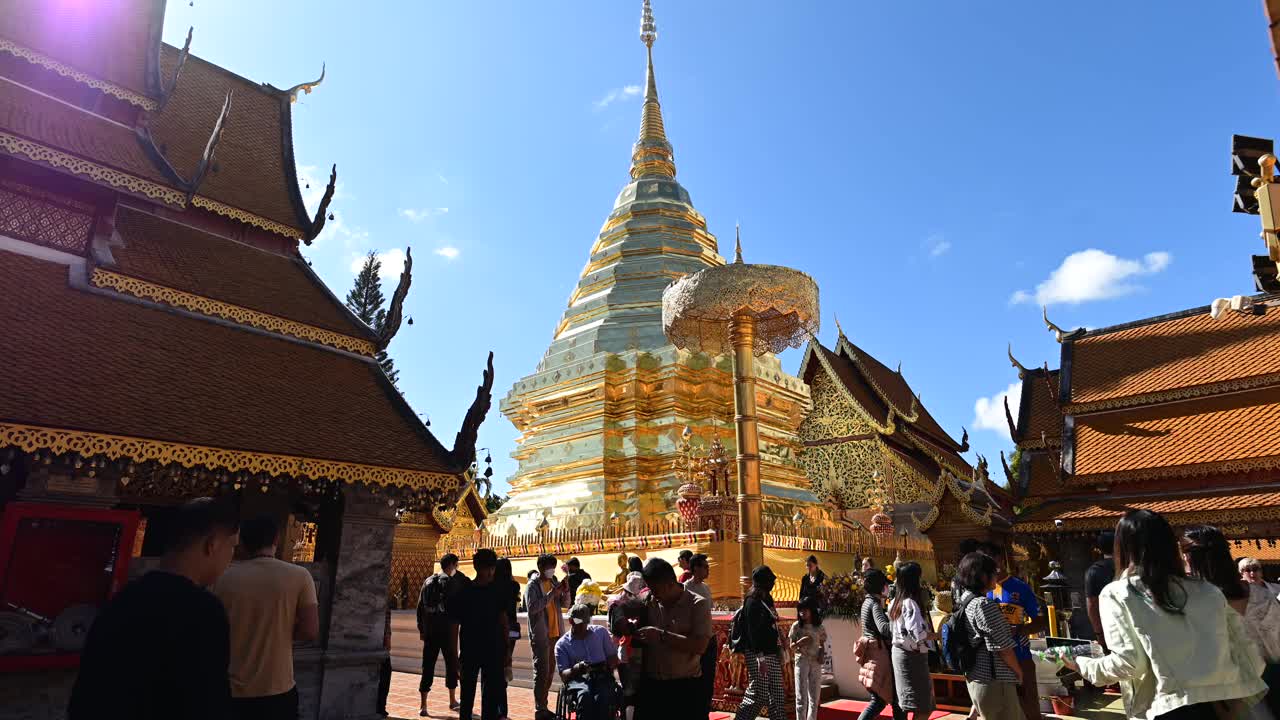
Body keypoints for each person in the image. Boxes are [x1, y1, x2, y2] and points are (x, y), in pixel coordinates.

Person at [1065, 510, 1266, 720]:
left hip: (1167, 707)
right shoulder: (1207, 590)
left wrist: (1081, 664)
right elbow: (1249, 654)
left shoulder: (1119, 593)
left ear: (1122, 548)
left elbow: (1128, 663)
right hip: (1220, 707)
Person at [68, 497, 240, 720]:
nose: (231, 557)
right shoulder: (202, 610)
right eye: (232, 547)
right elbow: (206, 703)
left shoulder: (123, 598)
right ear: (213, 544)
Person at [214, 515, 320, 720]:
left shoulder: (221, 576)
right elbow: (310, 630)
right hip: (277, 687)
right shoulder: (299, 576)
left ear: (241, 541)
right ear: (276, 539)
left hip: (229, 687)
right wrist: (280, 631)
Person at [1184, 525, 1280, 717]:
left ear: (1190, 560)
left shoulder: (1194, 603)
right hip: (1273, 680)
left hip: (1230, 694)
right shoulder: (1262, 594)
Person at [638, 557, 712, 720]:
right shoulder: (650, 601)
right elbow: (626, 608)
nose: (653, 594)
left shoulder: (697, 604)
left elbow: (700, 646)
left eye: (655, 589)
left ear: (669, 584)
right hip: (654, 687)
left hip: (684, 688)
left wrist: (661, 636)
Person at [953, 551, 1023, 719]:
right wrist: (1018, 672)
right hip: (995, 681)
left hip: (976, 677)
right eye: (994, 572)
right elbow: (1003, 648)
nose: (996, 576)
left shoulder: (964, 600)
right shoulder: (984, 604)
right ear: (983, 576)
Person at [981, 541, 1046, 720]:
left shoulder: (1020, 588)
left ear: (1001, 560)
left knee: (1029, 703)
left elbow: (1041, 622)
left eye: (992, 561)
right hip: (994, 661)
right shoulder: (982, 591)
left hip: (1021, 656)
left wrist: (1018, 630)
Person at [449, 548, 509, 720]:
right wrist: (507, 652)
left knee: (478, 698)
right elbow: (504, 623)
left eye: (492, 568)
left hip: (480, 649)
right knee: (478, 698)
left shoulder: (468, 591)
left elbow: (454, 627)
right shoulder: (490, 592)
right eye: (490, 568)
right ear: (485, 568)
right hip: (482, 650)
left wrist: (454, 655)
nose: (491, 571)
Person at [734, 565, 787, 720]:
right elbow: (753, 633)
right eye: (770, 580)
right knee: (759, 694)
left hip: (772, 651)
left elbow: (772, 621)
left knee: (777, 693)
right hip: (758, 654)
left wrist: (781, 637)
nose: (773, 583)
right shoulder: (752, 602)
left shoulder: (767, 598)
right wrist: (760, 659)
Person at [418, 553, 466, 713]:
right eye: (456, 565)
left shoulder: (428, 581)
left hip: (431, 632)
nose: (457, 568)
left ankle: (423, 705)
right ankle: (452, 700)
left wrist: (422, 630)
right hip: (448, 632)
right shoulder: (453, 582)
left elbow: (420, 608)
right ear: (452, 565)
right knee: (451, 666)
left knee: (428, 667)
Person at [525, 553, 571, 719]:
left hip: (555, 633)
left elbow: (565, 604)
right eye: (548, 567)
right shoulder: (533, 586)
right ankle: (540, 708)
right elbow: (532, 608)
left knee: (551, 671)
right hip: (541, 635)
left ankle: (543, 705)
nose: (551, 570)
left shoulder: (553, 581)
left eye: (553, 566)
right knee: (541, 671)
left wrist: (566, 591)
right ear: (540, 568)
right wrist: (552, 593)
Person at [557, 603, 620, 720]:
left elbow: (613, 658)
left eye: (585, 623)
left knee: (604, 697)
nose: (583, 627)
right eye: (579, 623)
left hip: (602, 675)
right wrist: (576, 669)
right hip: (578, 679)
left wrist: (609, 663)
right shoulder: (562, 645)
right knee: (585, 696)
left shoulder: (600, 633)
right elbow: (563, 676)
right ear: (571, 621)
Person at [888, 561, 935, 720]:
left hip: (900, 654)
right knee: (922, 706)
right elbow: (919, 634)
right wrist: (940, 635)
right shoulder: (910, 603)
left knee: (916, 704)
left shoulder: (895, 602)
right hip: (912, 657)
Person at [857, 570, 905, 720]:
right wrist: (898, 621)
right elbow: (884, 628)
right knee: (882, 701)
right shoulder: (874, 604)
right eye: (885, 585)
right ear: (880, 586)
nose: (887, 588)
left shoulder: (866, 602)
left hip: (872, 654)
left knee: (882, 700)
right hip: (879, 655)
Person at [608, 573, 650, 719]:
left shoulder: (623, 606)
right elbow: (619, 629)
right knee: (631, 688)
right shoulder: (620, 605)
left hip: (632, 650)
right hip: (630, 649)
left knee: (632, 688)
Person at [683, 553, 716, 718]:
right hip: (694, 638)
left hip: (708, 637)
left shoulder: (706, 588)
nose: (708, 570)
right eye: (705, 567)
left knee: (708, 678)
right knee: (694, 677)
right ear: (695, 568)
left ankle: (704, 711)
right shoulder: (685, 588)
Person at [790, 596, 827, 720]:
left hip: (816, 662)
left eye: (805, 610)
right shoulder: (796, 627)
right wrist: (800, 642)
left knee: (814, 697)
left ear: (812, 610)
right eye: (800, 610)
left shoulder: (819, 627)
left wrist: (822, 654)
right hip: (801, 661)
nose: (802, 613)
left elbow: (822, 644)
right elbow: (791, 647)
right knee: (801, 696)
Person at [494, 558, 521, 720]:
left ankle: (497, 709)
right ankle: (502, 710)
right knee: (505, 663)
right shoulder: (514, 586)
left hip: (497, 629)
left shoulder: (493, 586)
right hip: (511, 629)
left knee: (495, 669)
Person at [1085, 530, 1116, 649]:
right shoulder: (1129, 567)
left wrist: (1099, 634)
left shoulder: (1093, 571)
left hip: (1109, 629)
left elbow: (1092, 605)